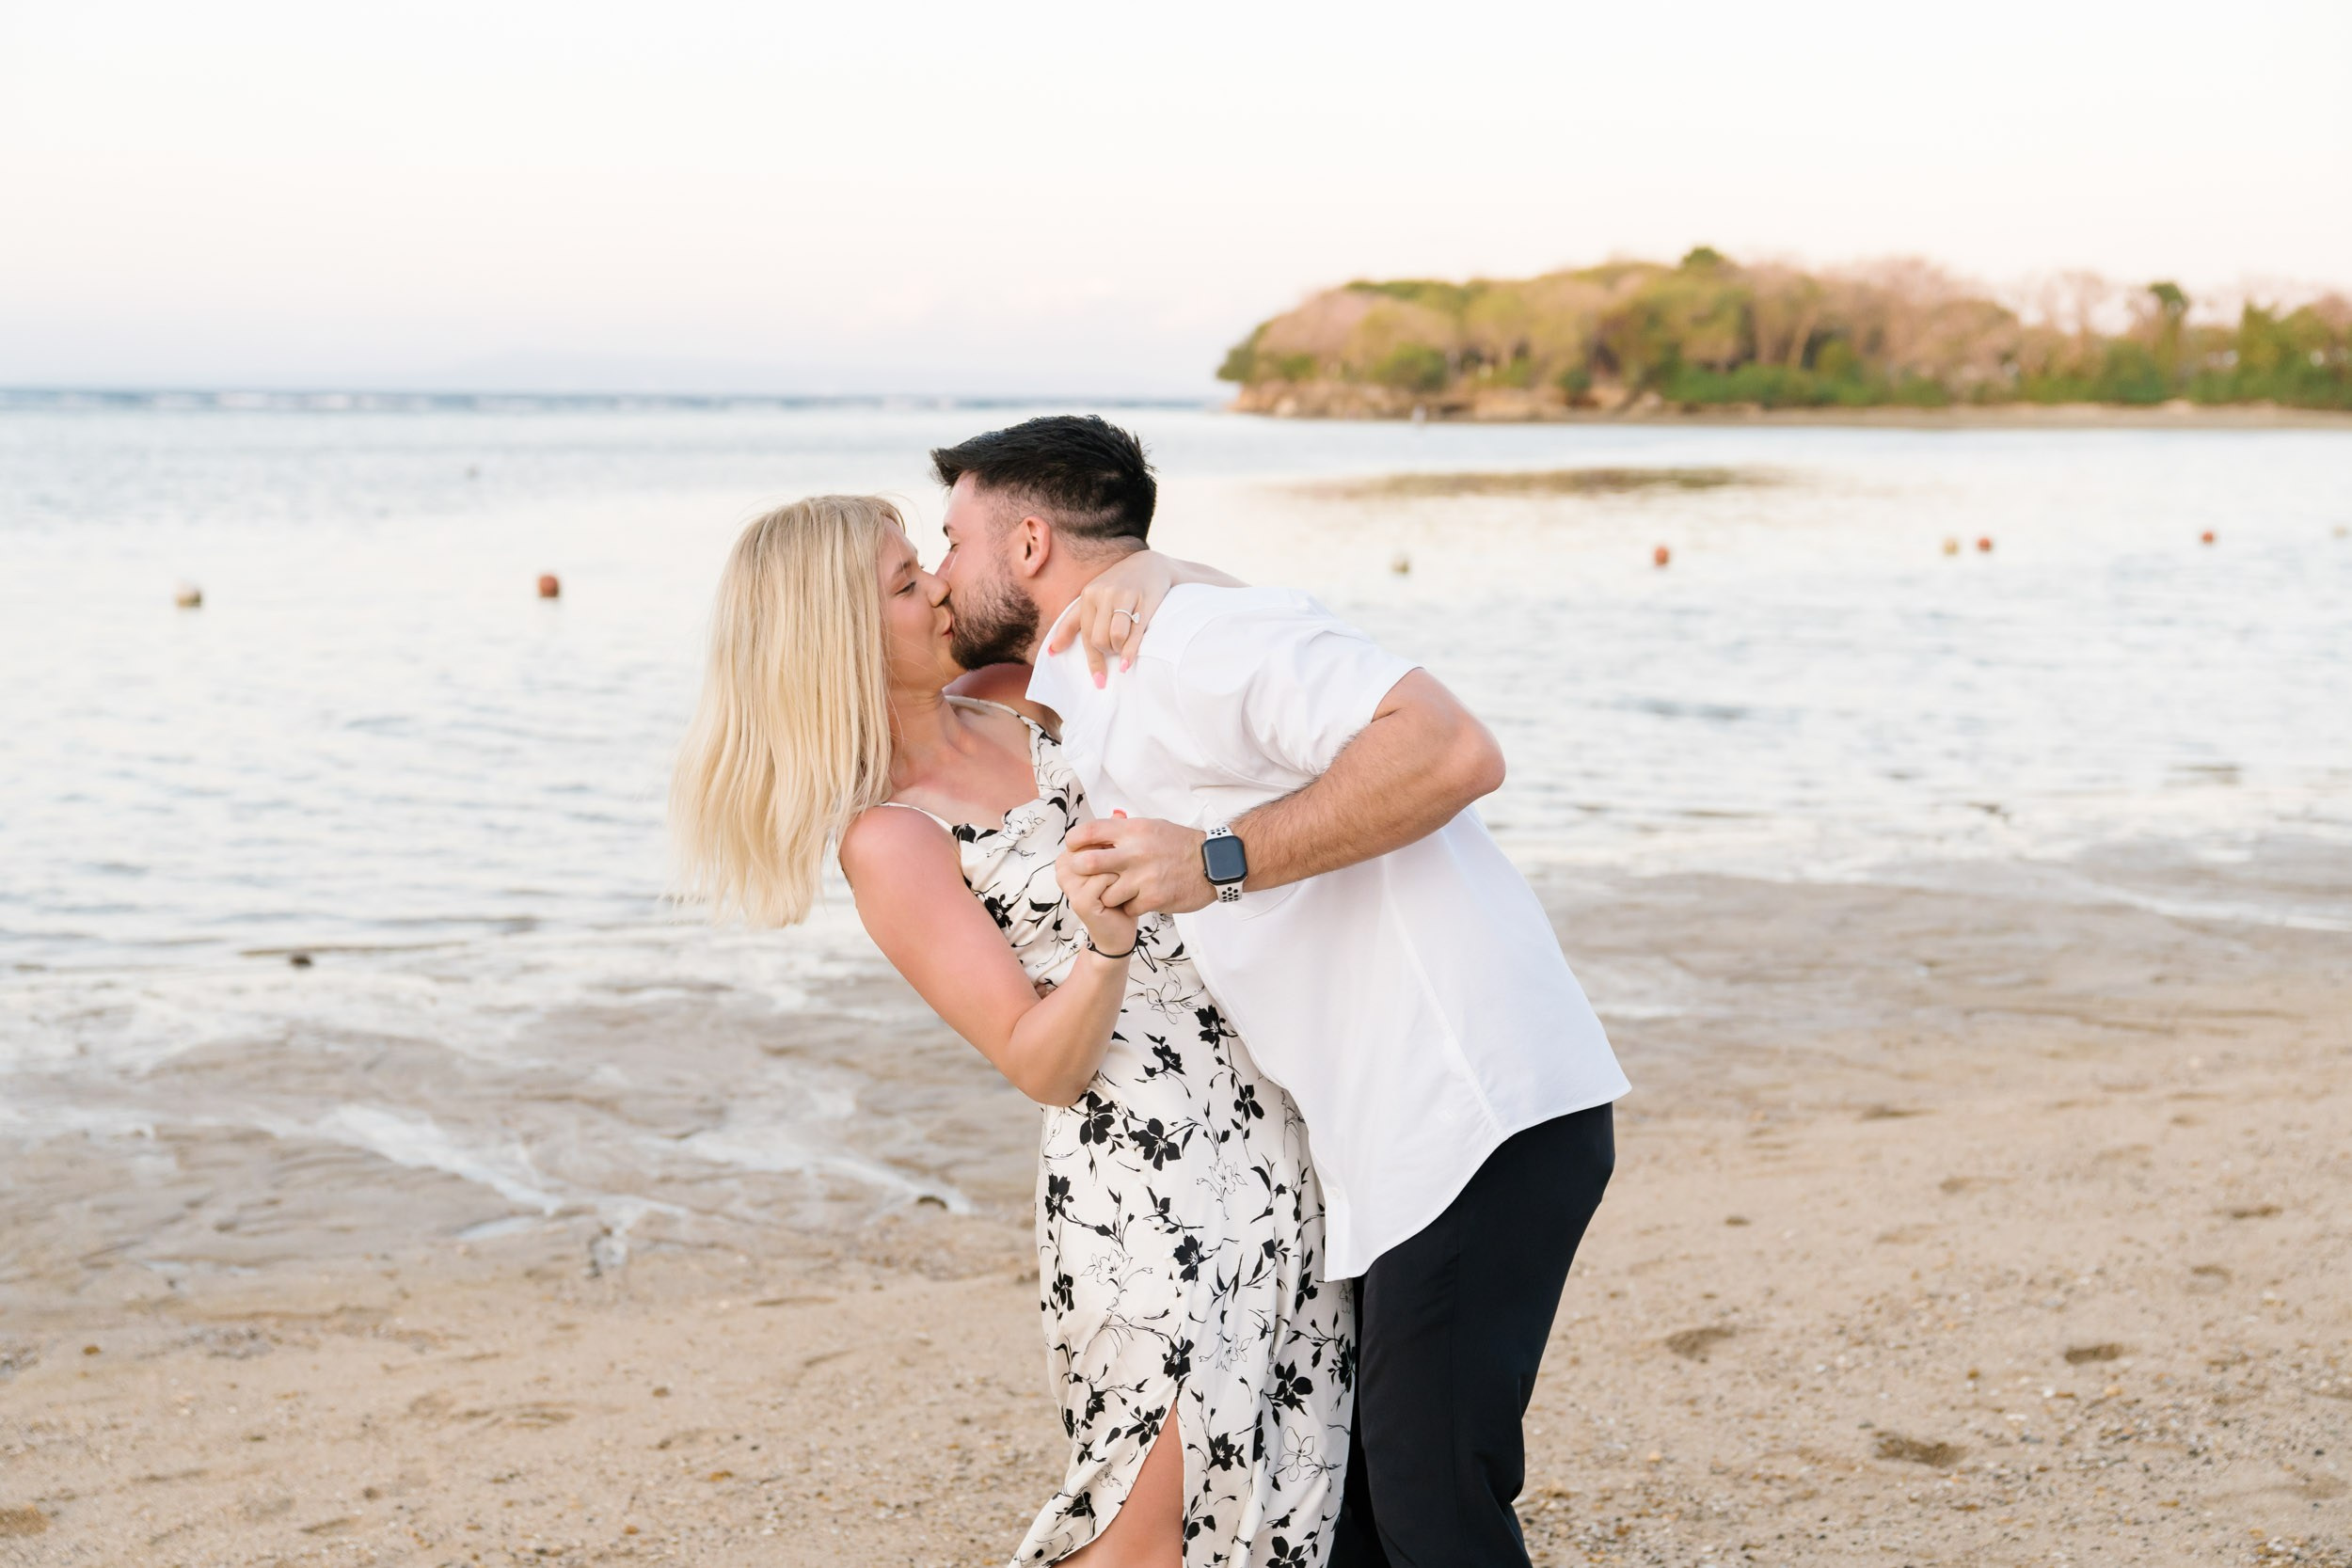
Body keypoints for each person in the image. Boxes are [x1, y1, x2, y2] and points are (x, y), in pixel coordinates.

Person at [930, 416, 1629, 1568]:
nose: (940, 570)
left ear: (1030, 542)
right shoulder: (1113, 655)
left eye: (950, 538)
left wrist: (1213, 859)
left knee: (1431, 1509)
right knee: (1349, 1518)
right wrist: (1167, 567)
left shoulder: (1196, 637)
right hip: (1382, 1132)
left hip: (1470, 1103)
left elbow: (1452, 748)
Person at [669, 494, 1352, 1568]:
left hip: (1276, 1127)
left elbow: (1248, 625)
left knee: (1275, 1484)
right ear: (836, 634)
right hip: (1141, 1176)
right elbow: (1040, 1062)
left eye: (920, 563)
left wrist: (1151, 569)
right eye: (905, 582)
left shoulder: (1016, 696)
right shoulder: (888, 837)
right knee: (1143, 1523)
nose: (940, 583)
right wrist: (1105, 942)